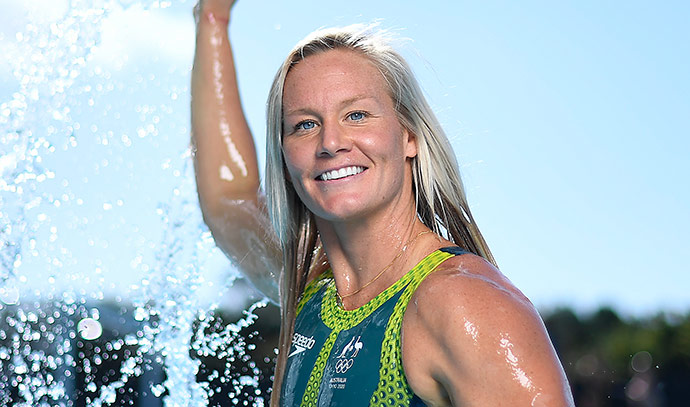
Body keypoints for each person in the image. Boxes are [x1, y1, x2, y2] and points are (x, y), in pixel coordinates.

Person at [191, 1, 575, 406]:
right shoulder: (308, 288)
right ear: (285, 162)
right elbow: (227, 202)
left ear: (409, 136)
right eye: (305, 125)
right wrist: (213, 20)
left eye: (357, 115)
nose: (331, 143)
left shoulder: (465, 305)